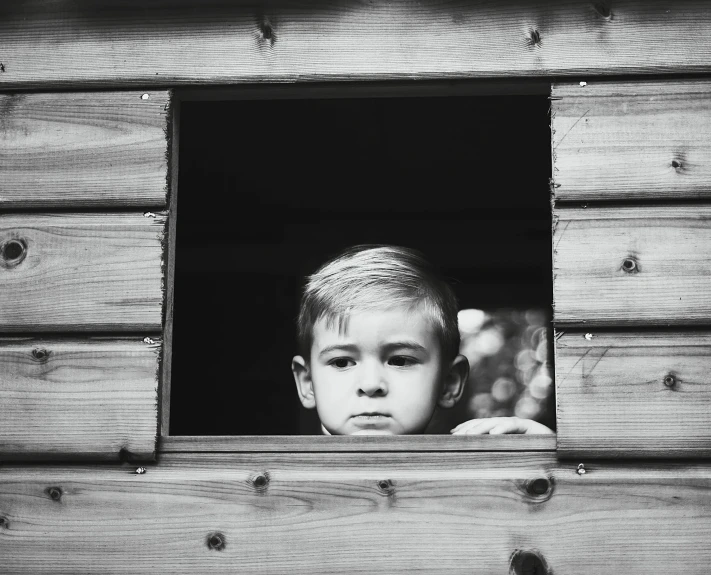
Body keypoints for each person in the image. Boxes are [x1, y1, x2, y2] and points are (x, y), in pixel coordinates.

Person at [291, 244, 553, 436]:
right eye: (341, 362)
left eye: (400, 360)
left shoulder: (472, 471)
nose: (370, 385)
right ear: (307, 383)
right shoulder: (272, 477)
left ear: (449, 382)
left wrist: (543, 454)